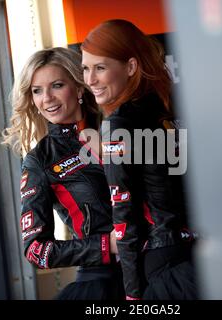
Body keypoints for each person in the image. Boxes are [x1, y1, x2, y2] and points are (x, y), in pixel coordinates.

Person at [81, 19, 198, 300]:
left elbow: (125, 220)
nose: (90, 80)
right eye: (85, 68)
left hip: (165, 266)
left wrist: (132, 295)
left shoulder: (118, 125)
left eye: (100, 67)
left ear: (131, 67)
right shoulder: (169, 109)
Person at [1, 47, 124, 300]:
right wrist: (106, 245)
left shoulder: (120, 127)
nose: (46, 98)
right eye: (37, 91)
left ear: (79, 88)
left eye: (56, 85)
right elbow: (36, 250)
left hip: (163, 263)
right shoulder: (40, 161)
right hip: (104, 282)